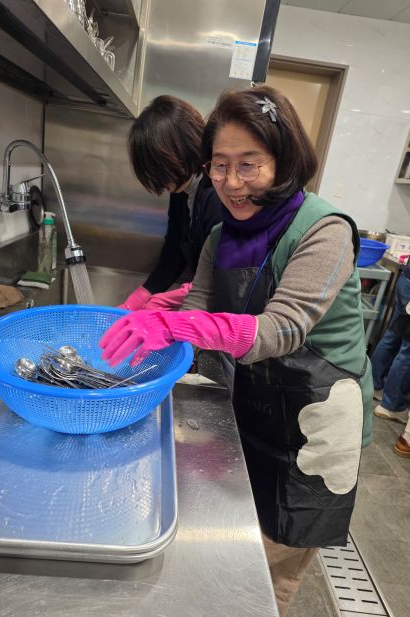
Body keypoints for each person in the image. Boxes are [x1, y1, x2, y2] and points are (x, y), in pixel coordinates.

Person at [100, 85, 373, 616]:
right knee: (237, 544)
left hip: (315, 423)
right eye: (219, 165)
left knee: (266, 571)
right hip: (252, 404)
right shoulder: (220, 234)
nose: (230, 182)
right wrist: (158, 324)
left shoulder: (325, 230)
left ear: (284, 160)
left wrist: (180, 323)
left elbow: (281, 330)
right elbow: (198, 305)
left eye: (249, 164)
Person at [119, 95, 222, 311]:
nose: (155, 176)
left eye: (157, 166)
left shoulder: (216, 195)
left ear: (183, 148)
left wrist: (168, 300)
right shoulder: (181, 191)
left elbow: (220, 276)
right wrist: (142, 296)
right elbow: (174, 252)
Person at [371, 257, 410, 457]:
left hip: (406, 280)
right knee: (408, 350)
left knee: (394, 335)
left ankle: (374, 384)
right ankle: (391, 405)